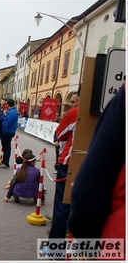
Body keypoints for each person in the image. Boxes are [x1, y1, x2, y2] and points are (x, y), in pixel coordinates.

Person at [67, 83, 125, 260]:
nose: (70, 104)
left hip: (117, 243)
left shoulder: (124, 100)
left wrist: (88, 245)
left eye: (73, 101)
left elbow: (89, 189)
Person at [47, 92, 80, 241]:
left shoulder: (75, 113)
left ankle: (55, 247)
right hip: (93, 165)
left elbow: (59, 134)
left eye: (74, 101)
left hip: (69, 163)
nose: (71, 105)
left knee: (63, 203)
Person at [0, 99, 18, 169]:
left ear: (8, 104)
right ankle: (4, 161)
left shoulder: (12, 112)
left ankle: (6, 163)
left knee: (6, 147)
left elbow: (7, 122)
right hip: (10, 131)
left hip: (8, 131)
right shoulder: (13, 111)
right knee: (6, 147)